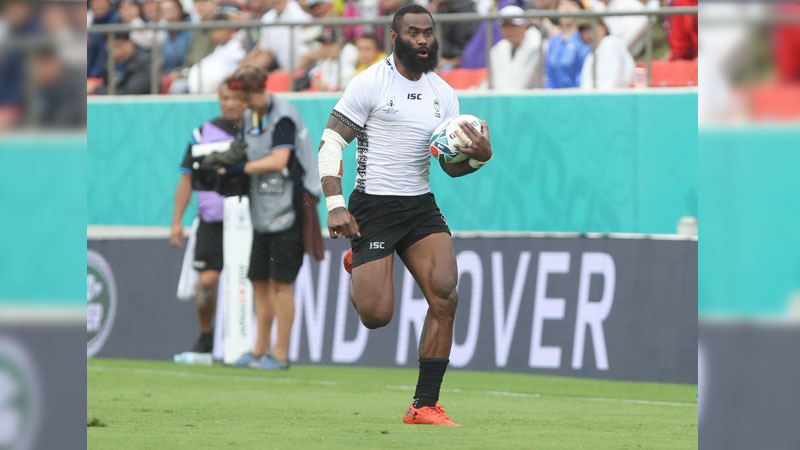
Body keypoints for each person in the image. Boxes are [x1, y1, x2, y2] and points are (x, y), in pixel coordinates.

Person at [317, 4, 493, 426]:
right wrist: (335, 205)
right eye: (413, 32)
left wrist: (479, 157)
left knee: (445, 294)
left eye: (428, 32)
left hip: (419, 205)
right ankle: (358, 261)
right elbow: (330, 143)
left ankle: (424, 405)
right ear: (394, 37)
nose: (423, 40)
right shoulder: (370, 83)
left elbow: (449, 166)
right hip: (373, 205)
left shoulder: (443, 93)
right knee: (376, 316)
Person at [221, 65, 322, 370]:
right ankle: (259, 349)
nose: (238, 104)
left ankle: (280, 354)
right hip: (263, 210)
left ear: (254, 92)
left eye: (242, 98)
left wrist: (241, 169)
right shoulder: (251, 117)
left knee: (281, 282)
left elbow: (280, 160)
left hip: (291, 206)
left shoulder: (283, 117)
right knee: (258, 279)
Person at [170, 79, 248, 354]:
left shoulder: (257, 131)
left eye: (236, 98)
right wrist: (177, 221)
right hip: (211, 221)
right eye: (225, 98)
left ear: (247, 100)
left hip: (247, 221)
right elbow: (187, 179)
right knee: (206, 282)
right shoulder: (203, 133)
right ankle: (206, 336)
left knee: (251, 284)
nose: (230, 103)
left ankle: (251, 342)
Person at [489, 5, 543, 89]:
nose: (509, 30)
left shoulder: (539, 46)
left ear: (525, 25)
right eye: (505, 26)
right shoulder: (496, 50)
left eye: (514, 25)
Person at [544, 0, 591, 88]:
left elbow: (582, 78)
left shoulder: (585, 40)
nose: (566, 8)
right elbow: (549, 76)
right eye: (562, 4)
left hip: (575, 94)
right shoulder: (553, 42)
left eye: (572, 4)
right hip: (552, 95)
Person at [579, 19, 634, 89]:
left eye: (591, 28)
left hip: (612, 94)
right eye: (584, 31)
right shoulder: (590, 55)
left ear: (604, 28)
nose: (588, 34)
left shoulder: (610, 42)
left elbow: (612, 81)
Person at [87, 0, 120, 80]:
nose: (97, 5)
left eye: (100, 1)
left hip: (110, 78)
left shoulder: (118, 21)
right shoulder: (93, 21)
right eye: (93, 1)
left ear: (110, 3)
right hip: (92, 77)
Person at [159, 0, 194, 73]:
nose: (169, 14)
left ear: (180, 10)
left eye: (171, 9)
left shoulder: (192, 29)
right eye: (164, 11)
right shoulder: (164, 33)